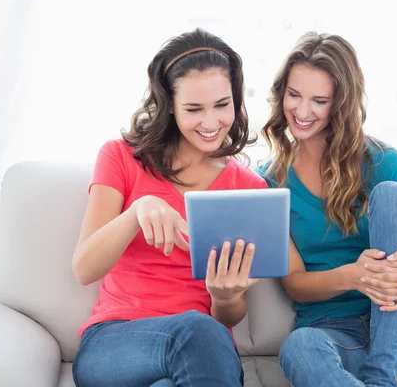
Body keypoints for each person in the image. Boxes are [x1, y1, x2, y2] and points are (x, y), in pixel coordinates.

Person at [258, 31, 397, 387]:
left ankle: (382, 375)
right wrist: (355, 275)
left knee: (393, 196)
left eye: (318, 100)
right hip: (337, 333)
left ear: (340, 104)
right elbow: (295, 285)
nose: (302, 111)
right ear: (281, 94)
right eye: (294, 95)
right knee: (297, 347)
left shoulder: (381, 161)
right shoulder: (271, 181)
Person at [71, 28, 266, 387]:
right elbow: (84, 268)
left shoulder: (249, 188)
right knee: (195, 330)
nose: (211, 123)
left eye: (222, 105)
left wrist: (226, 296)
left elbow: (229, 316)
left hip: (205, 349)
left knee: (197, 338)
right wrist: (137, 211)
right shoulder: (121, 157)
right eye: (194, 109)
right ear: (169, 107)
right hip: (115, 342)